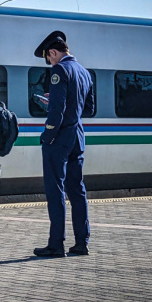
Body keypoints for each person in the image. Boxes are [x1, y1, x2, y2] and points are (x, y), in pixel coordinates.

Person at [32, 31, 94, 257]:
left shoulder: (60, 70)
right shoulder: (85, 72)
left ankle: (56, 244)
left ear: (53, 52)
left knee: (55, 189)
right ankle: (81, 242)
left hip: (59, 138)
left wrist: (47, 135)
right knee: (77, 190)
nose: (49, 63)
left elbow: (56, 111)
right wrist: (65, 102)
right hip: (77, 136)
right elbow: (88, 109)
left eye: (48, 58)